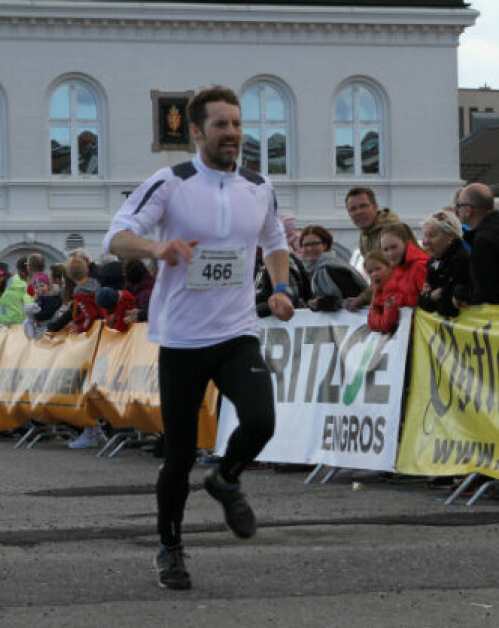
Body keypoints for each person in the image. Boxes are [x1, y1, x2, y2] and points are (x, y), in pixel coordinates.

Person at [102, 85, 293, 591]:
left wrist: (280, 287)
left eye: (236, 124)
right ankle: (170, 548)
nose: (231, 133)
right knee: (180, 454)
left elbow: (274, 240)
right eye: (220, 125)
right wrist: (157, 246)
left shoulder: (258, 184)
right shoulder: (171, 182)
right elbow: (116, 237)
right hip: (183, 339)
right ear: (196, 132)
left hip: (236, 331)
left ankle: (226, 477)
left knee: (261, 420)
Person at [455, 182, 499, 306]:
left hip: (498, 314)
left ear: (468, 210)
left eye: (459, 206)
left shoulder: (484, 241)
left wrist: (460, 294)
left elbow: (485, 290)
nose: (457, 211)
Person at [343, 187, 402, 311]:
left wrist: (363, 298)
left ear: (375, 206)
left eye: (363, 206)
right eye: (353, 209)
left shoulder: (391, 232)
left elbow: (390, 273)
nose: (358, 212)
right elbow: (375, 276)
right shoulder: (365, 236)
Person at [300, 225, 366, 312]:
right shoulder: (315, 269)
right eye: (305, 245)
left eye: (314, 244)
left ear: (325, 245)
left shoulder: (334, 268)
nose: (309, 248)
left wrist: (321, 303)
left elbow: (353, 299)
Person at [419, 210, 470, 317]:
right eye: (424, 236)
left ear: (450, 237)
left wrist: (435, 295)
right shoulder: (433, 263)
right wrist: (431, 296)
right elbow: (424, 303)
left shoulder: (463, 261)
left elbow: (448, 307)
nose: (426, 241)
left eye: (431, 236)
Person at [0, 261, 31, 326]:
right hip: (22, 331)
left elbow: (14, 319)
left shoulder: (11, 292)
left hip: (16, 332)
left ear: (5, 276)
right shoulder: (16, 285)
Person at [364, 251, 396, 332]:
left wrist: (373, 311)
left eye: (378, 269)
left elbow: (387, 325)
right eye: (370, 272)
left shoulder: (392, 290)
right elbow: (370, 323)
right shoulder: (377, 290)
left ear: (389, 267)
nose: (374, 274)